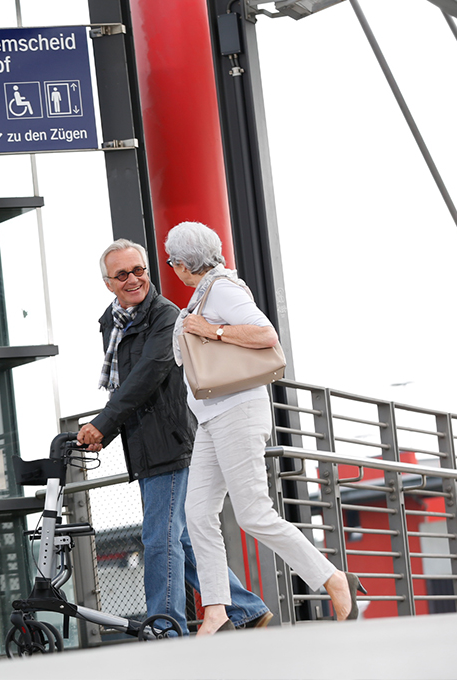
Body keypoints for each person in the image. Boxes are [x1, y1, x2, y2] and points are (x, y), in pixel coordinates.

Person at [166, 221, 364, 635]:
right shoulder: (203, 294)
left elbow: (266, 334)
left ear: (184, 264)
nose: (173, 268)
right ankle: (217, 610)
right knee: (198, 513)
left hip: (237, 411)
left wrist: (214, 330)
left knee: (254, 512)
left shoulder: (222, 289)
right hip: (211, 418)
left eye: (173, 262)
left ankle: (331, 577)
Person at [76, 238, 273, 636]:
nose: (134, 279)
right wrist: (107, 429)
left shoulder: (166, 316)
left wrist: (103, 425)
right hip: (144, 444)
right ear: (108, 283)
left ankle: (165, 627)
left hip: (171, 439)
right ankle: (247, 609)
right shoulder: (112, 322)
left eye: (140, 270)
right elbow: (123, 387)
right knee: (177, 539)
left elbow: (146, 377)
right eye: (122, 274)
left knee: (158, 538)